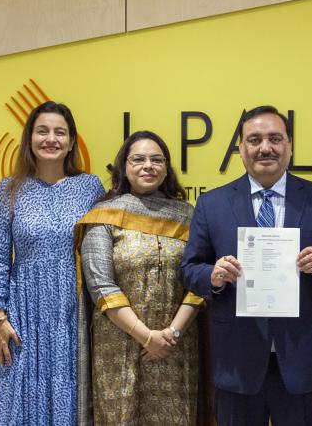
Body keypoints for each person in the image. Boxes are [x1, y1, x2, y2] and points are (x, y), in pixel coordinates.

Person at [179, 106, 312, 426]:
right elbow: (189, 268)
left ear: (290, 145)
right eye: (254, 139)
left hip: (301, 357)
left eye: (275, 138)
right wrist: (213, 276)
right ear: (240, 149)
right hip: (237, 360)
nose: (265, 147)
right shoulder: (212, 204)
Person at [0, 101, 104, 425]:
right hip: (22, 314)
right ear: (29, 139)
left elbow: (102, 249)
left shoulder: (90, 187)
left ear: (72, 141)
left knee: (71, 396)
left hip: (72, 310)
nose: (51, 139)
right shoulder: (9, 188)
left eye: (60, 132)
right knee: (18, 400)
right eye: (43, 131)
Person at [74, 131, 203, 425]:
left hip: (176, 345)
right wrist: (147, 337)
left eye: (157, 160)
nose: (149, 166)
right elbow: (101, 286)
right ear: (124, 167)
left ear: (167, 168)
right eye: (139, 159)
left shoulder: (188, 216)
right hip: (119, 345)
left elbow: (199, 282)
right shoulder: (103, 215)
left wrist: (171, 334)